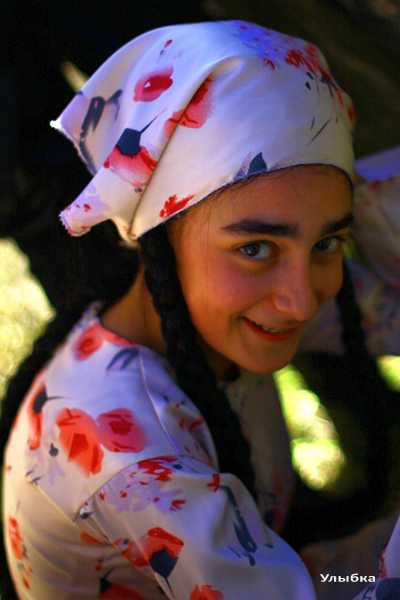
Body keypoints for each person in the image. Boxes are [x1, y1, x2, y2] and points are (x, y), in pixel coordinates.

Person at [1, 20, 400, 600]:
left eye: (328, 241)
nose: (301, 299)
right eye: (255, 248)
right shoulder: (134, 462)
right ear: (157, 234)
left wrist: (359, 194)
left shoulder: (225, 304)